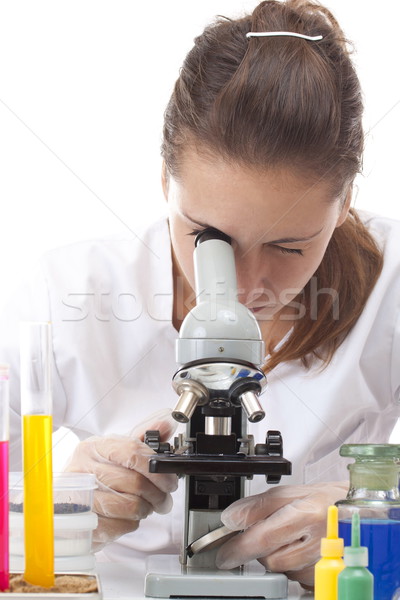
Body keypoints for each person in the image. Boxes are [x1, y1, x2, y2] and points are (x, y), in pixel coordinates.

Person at [1, 0, 399, 590]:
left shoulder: (389, 285)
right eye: (210, 238)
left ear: (343, 204)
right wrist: (61, 506)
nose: (242, 287)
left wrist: (375, 521)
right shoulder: (66, 289)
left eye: (290, 247)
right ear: (166, 181)